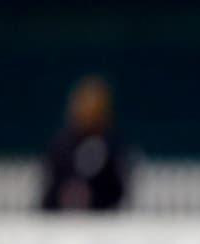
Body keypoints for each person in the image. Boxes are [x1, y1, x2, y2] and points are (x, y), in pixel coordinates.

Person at [39, 75, 132, 212]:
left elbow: (117, 190)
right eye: (85, 105)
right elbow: (51, 186)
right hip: (60, 220)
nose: (89, 111)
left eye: (95, 107)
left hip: (101, 219)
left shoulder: (112, 146)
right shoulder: (62, 145)